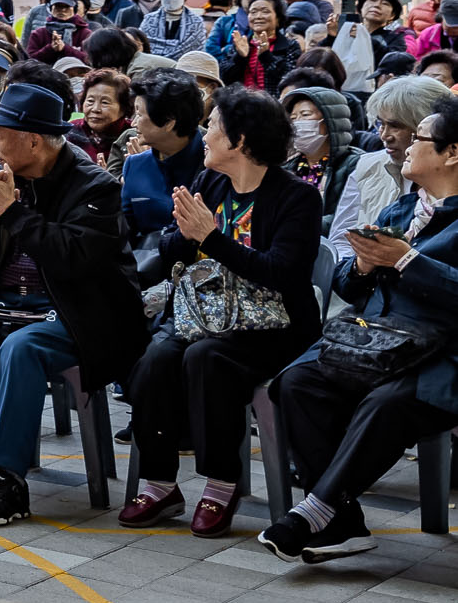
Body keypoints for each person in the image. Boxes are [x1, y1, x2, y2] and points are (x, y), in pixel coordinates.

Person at [0, 84, 146, 526]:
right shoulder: (5, 175)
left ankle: (7, 477)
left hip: (79, 315)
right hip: (9, 305)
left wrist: (10, 211)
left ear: (32, 140)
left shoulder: (95, 186)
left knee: (20, 348)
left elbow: (74, 260)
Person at [120, 87, 324, 534]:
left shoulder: (297, 198)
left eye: (214, 126)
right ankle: (159, 482)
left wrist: (210, 238)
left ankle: (220, 482)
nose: (206, 135)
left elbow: (282, 275)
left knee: (205, 357)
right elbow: (175, 250)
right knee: (155, 357)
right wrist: (185, 231)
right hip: (207, 314)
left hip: (275, 326)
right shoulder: (209, 181)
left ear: (242, 141)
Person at [264, 104, 458, 562]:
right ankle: (344, 524)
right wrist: (366, 265)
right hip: (379, 342)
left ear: (452, 153)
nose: (407, 144)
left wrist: (407, 260)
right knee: (297, 380)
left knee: (387, 401)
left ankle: (314, 512)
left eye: (420, 138)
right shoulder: (404, 206)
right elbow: (350, 284)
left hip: (443, 353)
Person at [331, 76, 455, 262]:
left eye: (396, 126)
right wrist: (360, 269)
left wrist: (405, 262)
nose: (384, 135)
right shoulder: (367, 166)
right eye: (381, 124)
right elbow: (341, 239)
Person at [122, 71, 206, 238]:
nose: (133, 123)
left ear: (168, 122)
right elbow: (124, 230)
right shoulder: (135, 165)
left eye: (139, 114)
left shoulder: (212, 163)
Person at [279, 81, 358, 217]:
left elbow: (347, 218)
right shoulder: (287, 168)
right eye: (293, 118)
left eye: (305, 115)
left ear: (329, 121)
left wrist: (295, 225)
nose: (297, 123)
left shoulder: (354, 165)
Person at [223, 0, 300, 91]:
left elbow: (289, 79)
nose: (258, 16)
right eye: (253, 12)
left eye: (265, 11)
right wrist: (240, 57)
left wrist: (266, 57)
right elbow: (225, 78)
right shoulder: (241, 44)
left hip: (274, 105)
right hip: (241, 103)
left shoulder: (291, 46)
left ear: (278, 19)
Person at [68, 67, 131, 166]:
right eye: (90, 101)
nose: (95, 109)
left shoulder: (133, 136)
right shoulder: (70, 131)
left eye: (105, 102)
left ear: (123, 108)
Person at [140, 0, 207, 57]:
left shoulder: (196, 22)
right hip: (152, 66)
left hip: (185, 67)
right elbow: (142, 44)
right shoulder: (149, 20)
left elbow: (196, 49)